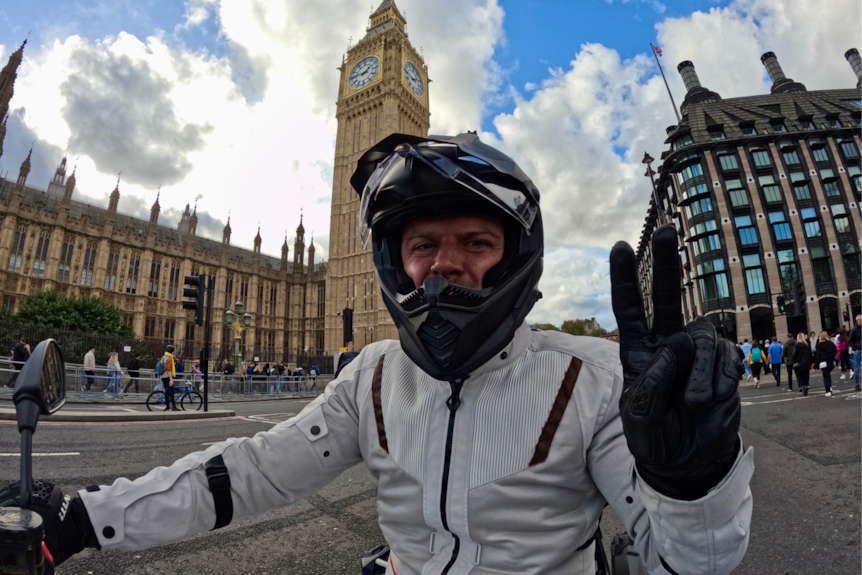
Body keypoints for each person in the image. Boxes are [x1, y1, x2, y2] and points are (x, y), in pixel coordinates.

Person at [2, 133, 753, 575]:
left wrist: (692, 485)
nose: (445, 263)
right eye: (422, 245)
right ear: (397, 265)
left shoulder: (586, 377)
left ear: (516, 255)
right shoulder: (373, 378)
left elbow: (687, 563)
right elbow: (247, 473)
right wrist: (79, 518)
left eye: (476, 242)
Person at [814, 331, 838, 397]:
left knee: (825, 376)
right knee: (828, 375)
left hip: (823, 362)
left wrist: (816, 364)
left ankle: (828, 390)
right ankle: (829, 387)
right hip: (830, 361)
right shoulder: (830, 343)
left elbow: (817, 356)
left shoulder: (818, 345)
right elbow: (835, 351)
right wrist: (832, 357)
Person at [160, 345, 178, 411]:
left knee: (167, 391)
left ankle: (167, 406)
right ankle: (173, 406)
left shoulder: (163, 357)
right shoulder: (169, 358)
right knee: (172, 391)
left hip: (163, 376)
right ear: (172, 351)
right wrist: (171, 379)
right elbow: (169, 370)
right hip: (167, 376)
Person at [850, 315, 862, 392]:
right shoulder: (854, 330)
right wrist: (855, 349)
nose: (861, 321)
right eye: (860, 320)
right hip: (858, 350)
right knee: (857, 368)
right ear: (857, 321)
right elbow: (850, 340)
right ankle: (857, 384)